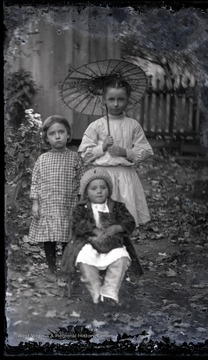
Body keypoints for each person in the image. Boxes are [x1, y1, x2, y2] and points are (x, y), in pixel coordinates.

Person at [78, 77, 154, 227]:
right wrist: (103, 148)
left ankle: (123, 246)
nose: (116, 104)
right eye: (111, 99)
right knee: (103, 219)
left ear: (127, 101)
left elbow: (145, 150)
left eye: (121, 99)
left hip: (125, 177)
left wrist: (125, 152)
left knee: (124, 219)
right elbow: (84, 154)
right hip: (102, 177)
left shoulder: (133, 125)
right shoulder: (97, 126)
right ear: (103, 101)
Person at [60, 167, 142, 304]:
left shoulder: (117, 206)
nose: (99, 191)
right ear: (86, 191)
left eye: (103, 187)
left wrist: (117, 227)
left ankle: (110, 291)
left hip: (112, 243)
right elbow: (77, 224)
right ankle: (96, 292)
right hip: (87, 242)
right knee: (84, 258)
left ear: (109, 189)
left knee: (121, 257)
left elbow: (129, 221)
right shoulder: (81, 208)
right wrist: (94, 230)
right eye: (94, 188)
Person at [28, 115, 84, 282]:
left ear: (68, 134)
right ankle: (51, 269)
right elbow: (35, 182)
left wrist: (82, 203)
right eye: (52, 133)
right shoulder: (42, 159)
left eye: (61, 132)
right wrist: (35, 203)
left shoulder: (74, 158)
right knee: (49, 238)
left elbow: (81, 182)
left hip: (68, 205)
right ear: (46, 138)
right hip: (48, 206)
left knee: (67, 237)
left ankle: (67, 268)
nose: (57, 136)